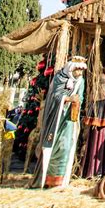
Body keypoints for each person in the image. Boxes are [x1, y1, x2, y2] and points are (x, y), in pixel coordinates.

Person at [31, 56, 87, 189]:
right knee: (52, 145)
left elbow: (81, 96)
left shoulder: (81, 81)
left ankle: (59, 180)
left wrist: (77, 101)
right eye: (77, 70)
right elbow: (54, 96)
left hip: (69, 119)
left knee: (65, 146)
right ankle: (46, 178)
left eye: (81, 70)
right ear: (71, 68)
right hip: (56, 118)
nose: (79, 73)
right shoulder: (59, 78)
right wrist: (67, 98)